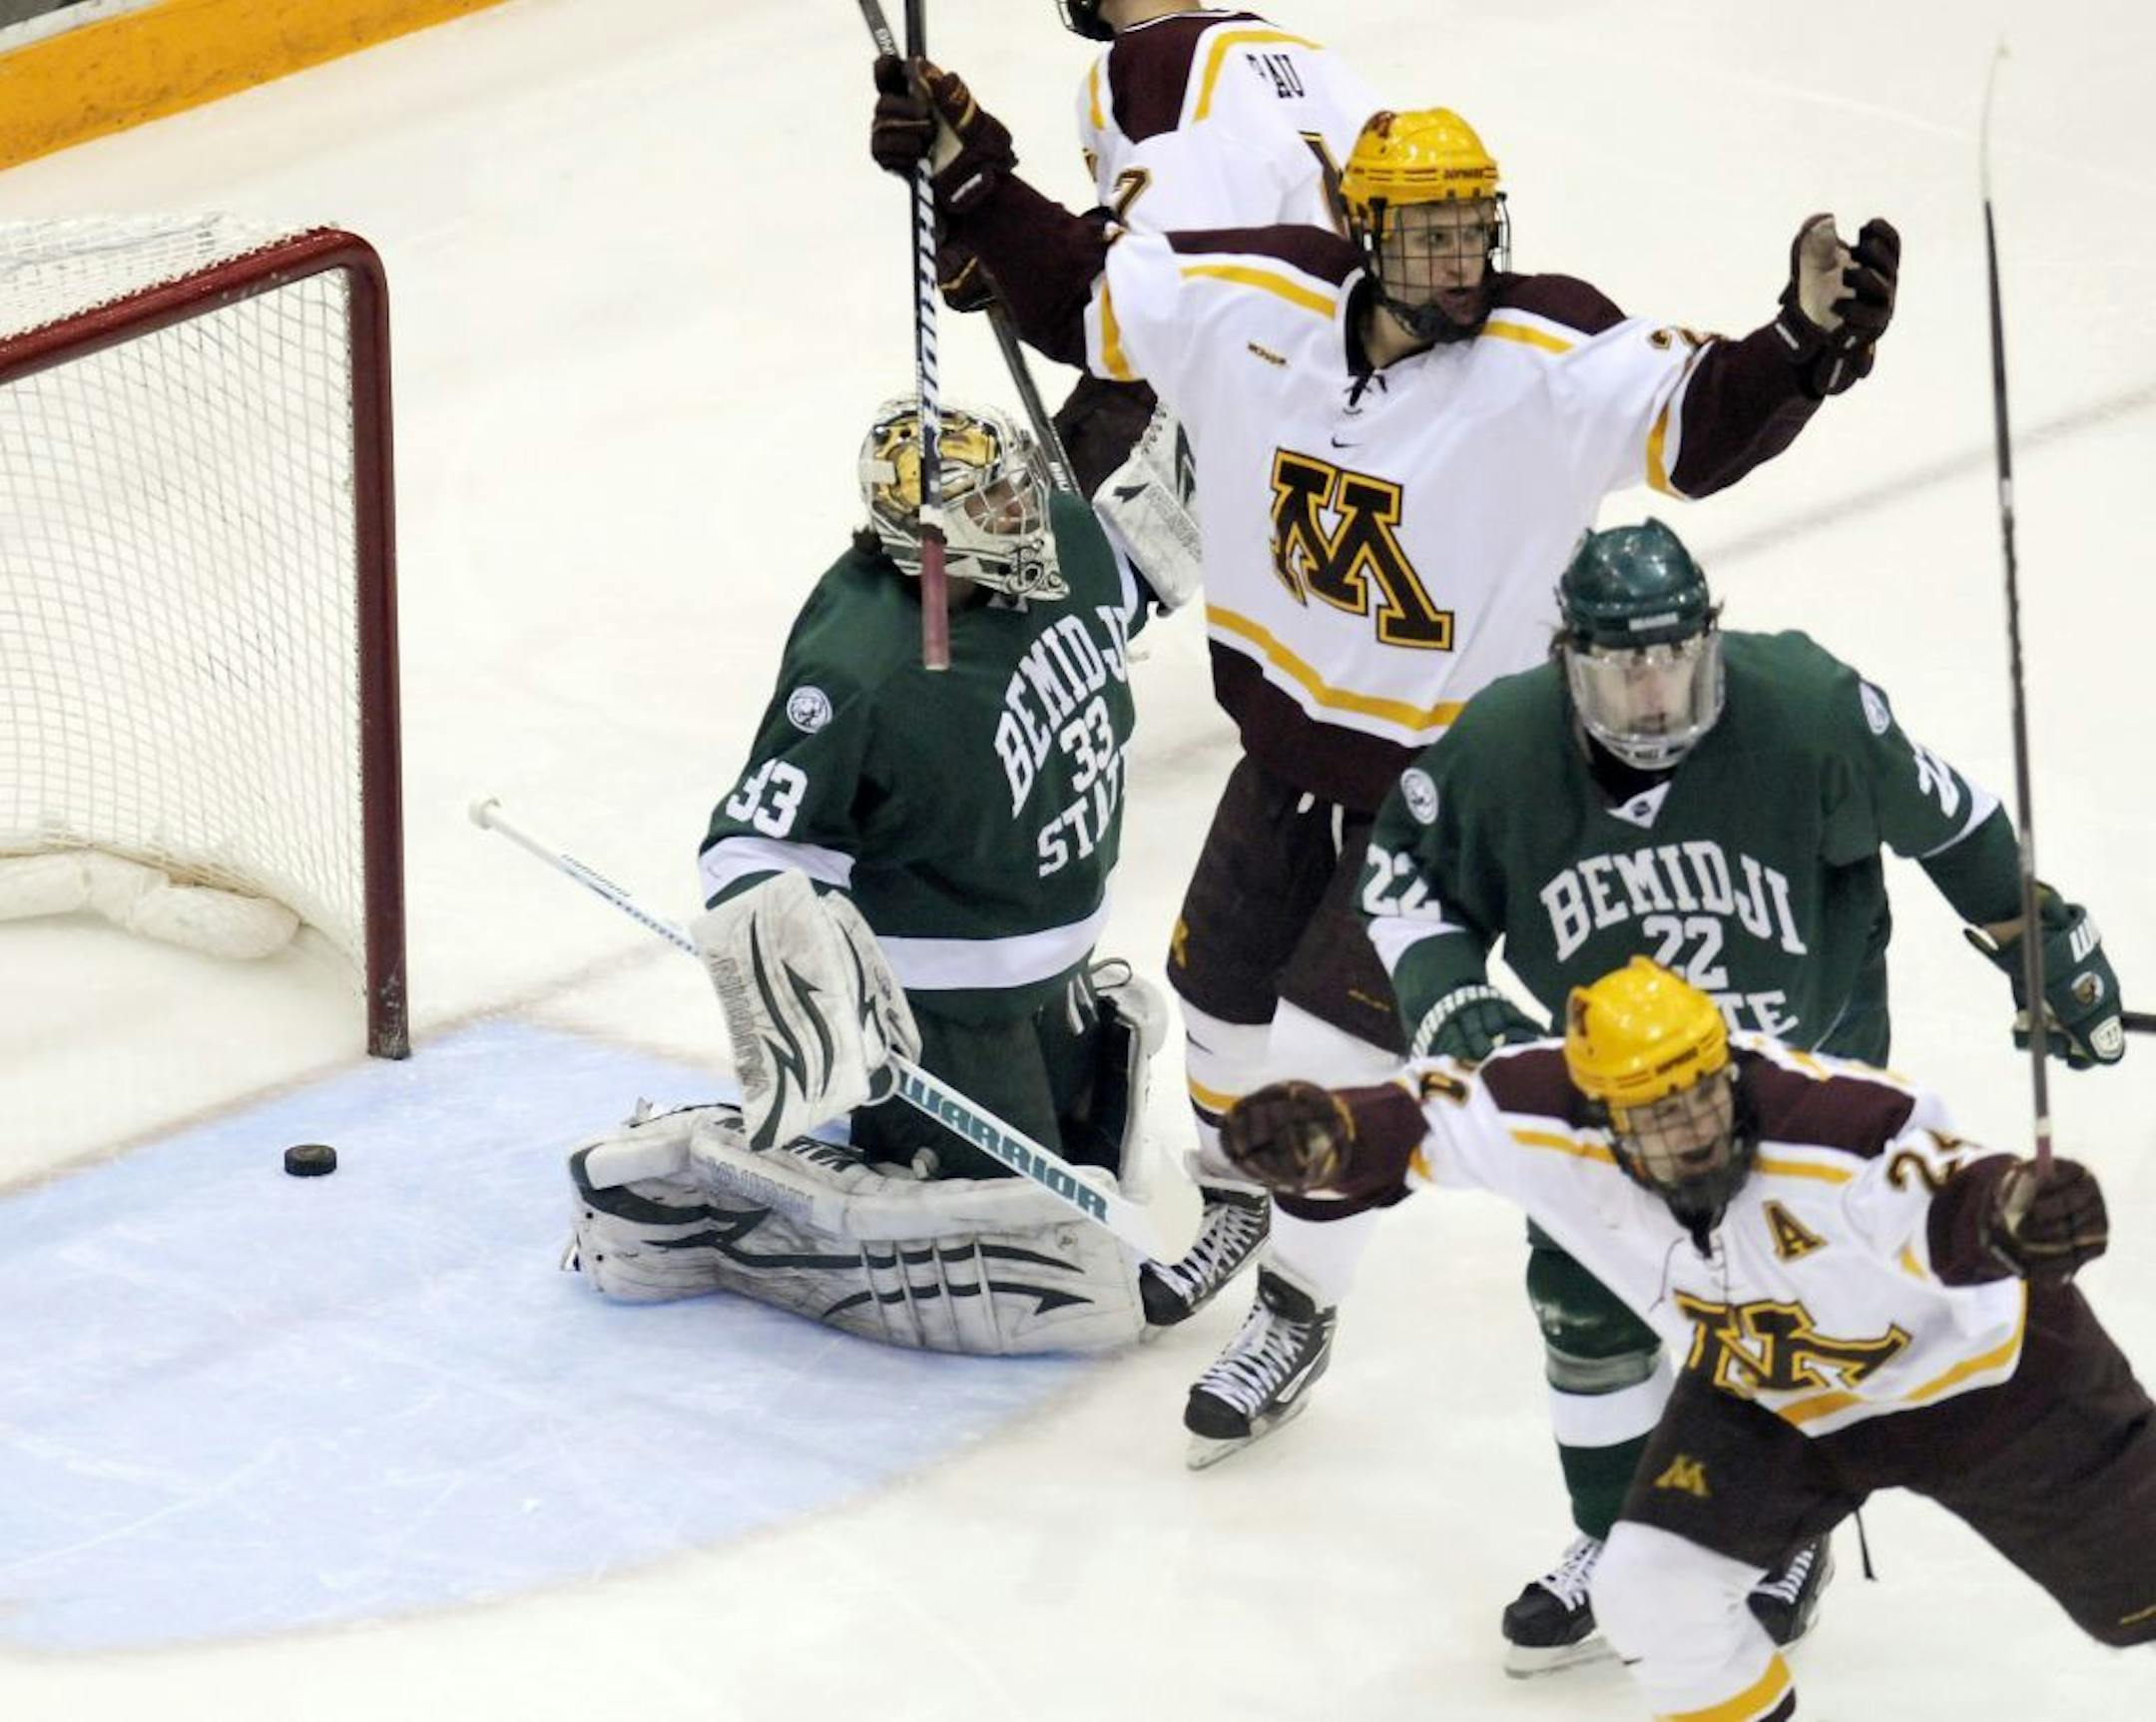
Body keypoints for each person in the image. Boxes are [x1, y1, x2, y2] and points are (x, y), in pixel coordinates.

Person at [868, 60, 1901, 1457]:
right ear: (1363, 233)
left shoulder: (1549, 355)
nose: (1460, 257)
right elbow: (1082, 295)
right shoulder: (1262, 300)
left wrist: (1805, 347)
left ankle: (1298, 1305)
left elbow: (1703, 420)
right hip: (1290, 749)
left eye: (1475, 226)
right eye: (1426, 232)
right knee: (1218, 1009)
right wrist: (969, 165)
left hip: (1456, 793)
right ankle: (1240, 1200)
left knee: (1323, 1064)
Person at [1350, 518, 2130, 1669]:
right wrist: (1453, 1004)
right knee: (1583, 1310)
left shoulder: (1806, 708)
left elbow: (1952, 819)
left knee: (1817, 1318)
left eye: (1675, 658)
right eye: (1623, 666)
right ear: (1570, 658)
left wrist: (2035, 937)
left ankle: (1780, 1526)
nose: (1655, 692)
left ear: (1710, 640)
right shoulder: (1503, 745)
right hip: (1616, 1103)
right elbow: (1402, 879)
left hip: (1805, 1103)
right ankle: (1611, 1530)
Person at [1218, 957, 2155, 1721]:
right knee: (1651, 1592)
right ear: (1606, 1118)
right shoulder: (1547, 1113)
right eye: (1660, 1118)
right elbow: (1424, 1115)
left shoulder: (1834, 1128)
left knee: (2142, 1603)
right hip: (1772, 1402)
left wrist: (2018, 1215)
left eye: (1704, 1097)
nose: (1696, 1130)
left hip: (1990, 1393)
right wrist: (1332, 1137)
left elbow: (1952, 1195)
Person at [560, 395, 1177, 1357]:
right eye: (994, 503)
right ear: (928, 540)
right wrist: (814, 982)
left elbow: (1132, 575)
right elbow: (752, 842)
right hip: (942, 1005)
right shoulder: (862, 668)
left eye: (1017, 485)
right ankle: (708, 1205)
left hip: (1050, 965)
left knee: (1086, 1148)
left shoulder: (1056, 541)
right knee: (1048, 1262)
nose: (1026, 511)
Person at [1039, 1, 1376, 505]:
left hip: (1262, 422)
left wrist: (1019, 257)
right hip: (1369, 408)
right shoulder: (1305, 54)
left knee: (1026, 532)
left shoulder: (1152, 62)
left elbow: (1169, 299)